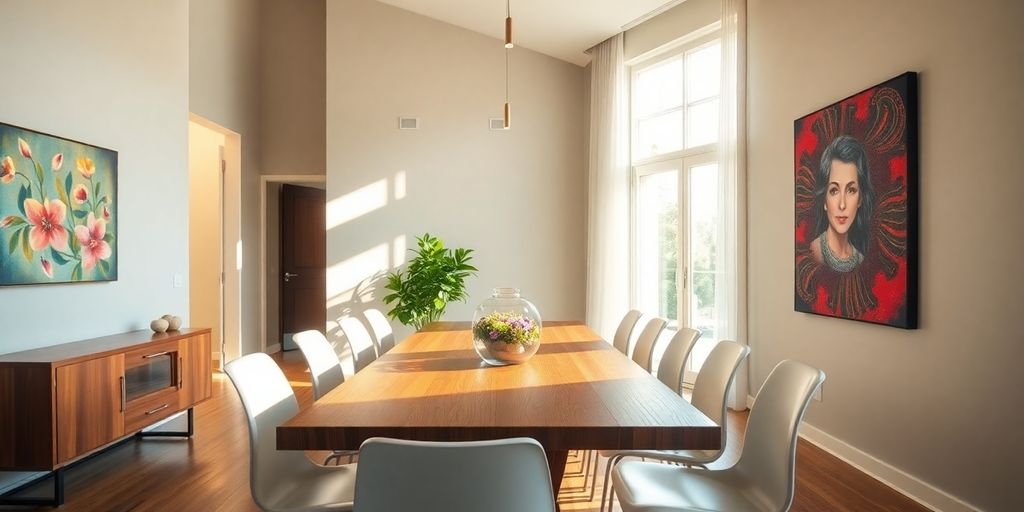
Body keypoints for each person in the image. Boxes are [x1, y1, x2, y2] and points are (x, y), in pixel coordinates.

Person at [809, 135, 875, 272]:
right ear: (824, 200)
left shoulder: (861, 260)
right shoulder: (812, 253)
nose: (842, 205)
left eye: (851, 190)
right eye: (834, 190)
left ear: (860, 199)